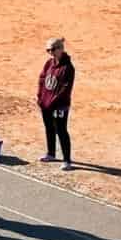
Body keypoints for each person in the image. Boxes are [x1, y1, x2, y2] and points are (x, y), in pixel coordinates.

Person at [37, 37, 76, 170]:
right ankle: (51, 153)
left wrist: (54, 102)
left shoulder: (68, 68)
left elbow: (65, 88)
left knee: (61, 130)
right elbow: (42, 79)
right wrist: (40, 97)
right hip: (46, 104)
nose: (50, 52)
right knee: (49, 127)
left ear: (60, 49)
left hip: (59, 105)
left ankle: (67, 160)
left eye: (53, 49)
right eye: (48, 50)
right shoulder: (49, 63)